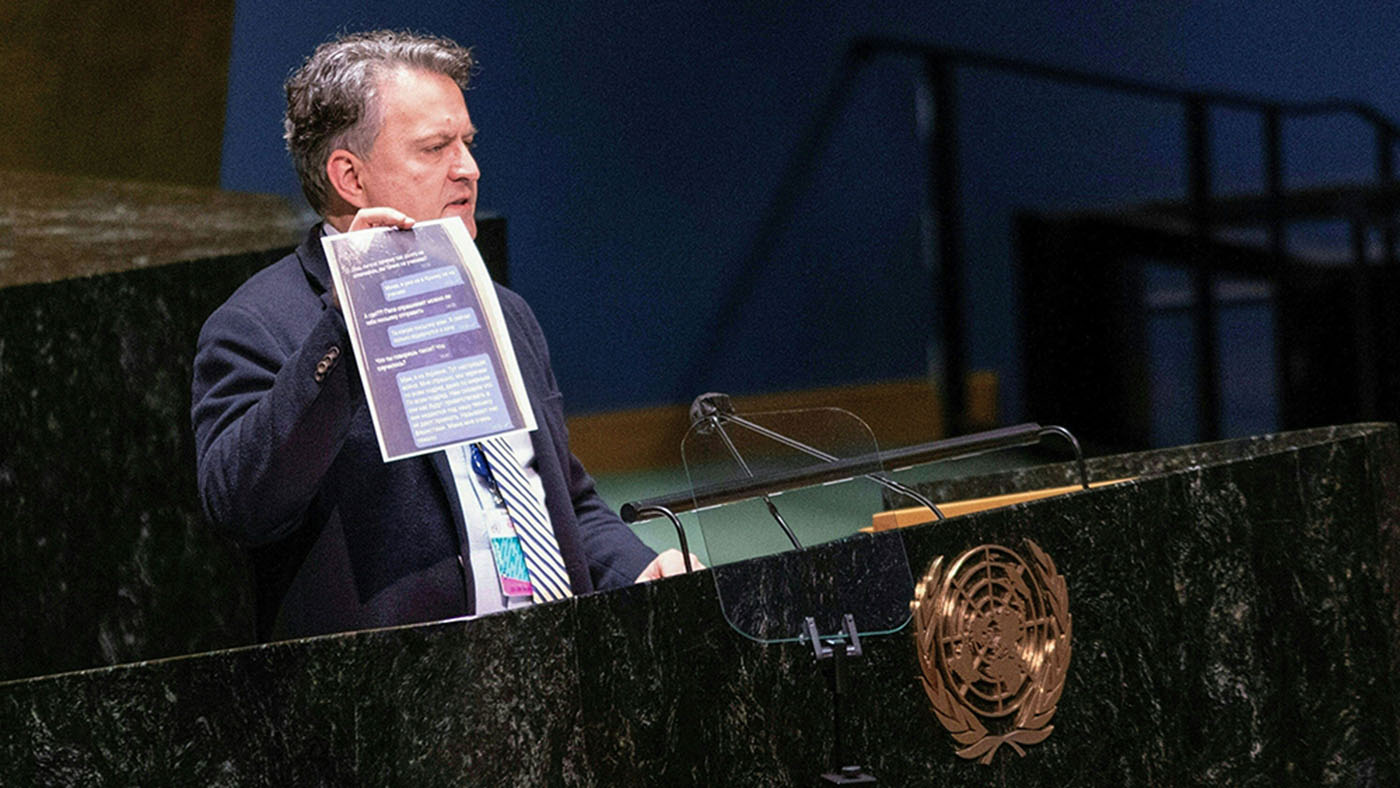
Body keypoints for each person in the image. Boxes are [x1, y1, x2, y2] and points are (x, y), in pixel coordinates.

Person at [192, 30, 691, 641]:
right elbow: (241, 505)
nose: (469, 169)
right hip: (405, 682)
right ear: (349, 176)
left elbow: (562, 501)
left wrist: (640, 568)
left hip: (555, 659)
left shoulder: (505, 312)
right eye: (435, 148)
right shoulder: (258, 324)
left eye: (467, 144)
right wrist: (350, 321)